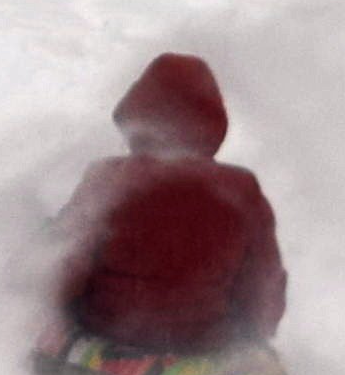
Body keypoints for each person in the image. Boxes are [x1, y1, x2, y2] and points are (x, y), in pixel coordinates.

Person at [48, 54, 287, 356]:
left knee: (52, 234)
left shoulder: (109, 178)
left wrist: (45, 311)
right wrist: (256, 333)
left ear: (138, 116)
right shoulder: (240, 189)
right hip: (201, 343)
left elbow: (66, 265)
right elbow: (262, 280)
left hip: (105, 329)